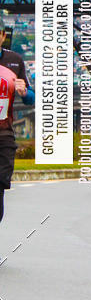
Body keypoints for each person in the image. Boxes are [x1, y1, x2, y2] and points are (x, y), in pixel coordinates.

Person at [0, 20, 34, 227]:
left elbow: (30, 98)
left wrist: (24, 92)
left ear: (3, 36)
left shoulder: (14, 60)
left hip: (3, 134)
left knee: (1, 184)